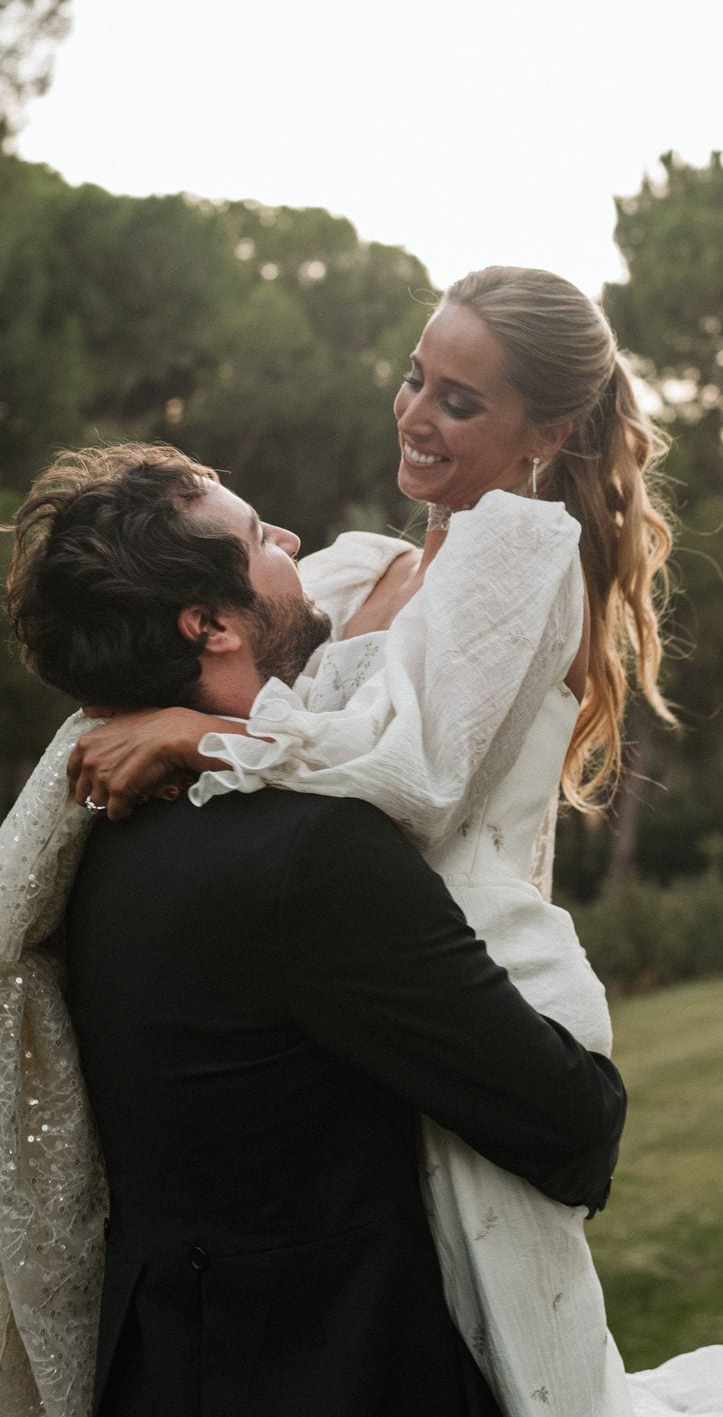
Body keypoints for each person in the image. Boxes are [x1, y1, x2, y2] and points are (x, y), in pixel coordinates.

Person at [59, 268, 723, 1417]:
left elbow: (409, 774)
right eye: (416, 376)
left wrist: (196, 736)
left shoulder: (517, 553)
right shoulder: (366, 568)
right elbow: (220, 649)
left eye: (460, 401)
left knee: (515, 1350)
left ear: (545, 432)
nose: (417, 414)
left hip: (467, 956)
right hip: (356, 953)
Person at [1, 443, 627, 1417]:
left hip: (161, 1374)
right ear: (211, 624)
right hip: (335, 1375)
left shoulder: (100, 832)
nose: (294, 541)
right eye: (259, 538)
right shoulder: (311, 853)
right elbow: (573, 1125)